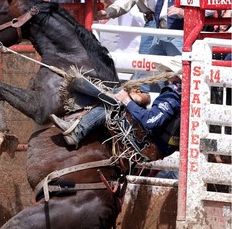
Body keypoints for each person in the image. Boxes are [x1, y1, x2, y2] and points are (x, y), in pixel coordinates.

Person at [50, 74, 181, 178]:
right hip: (155, 144)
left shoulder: (171, 97)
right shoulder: (178, 95)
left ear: (174, 76)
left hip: (148, 144)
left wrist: (127, 101)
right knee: (117, 96)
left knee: (114, 104)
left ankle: (78, 131)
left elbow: (150, 121)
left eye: (168, 72)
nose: (166, 76)